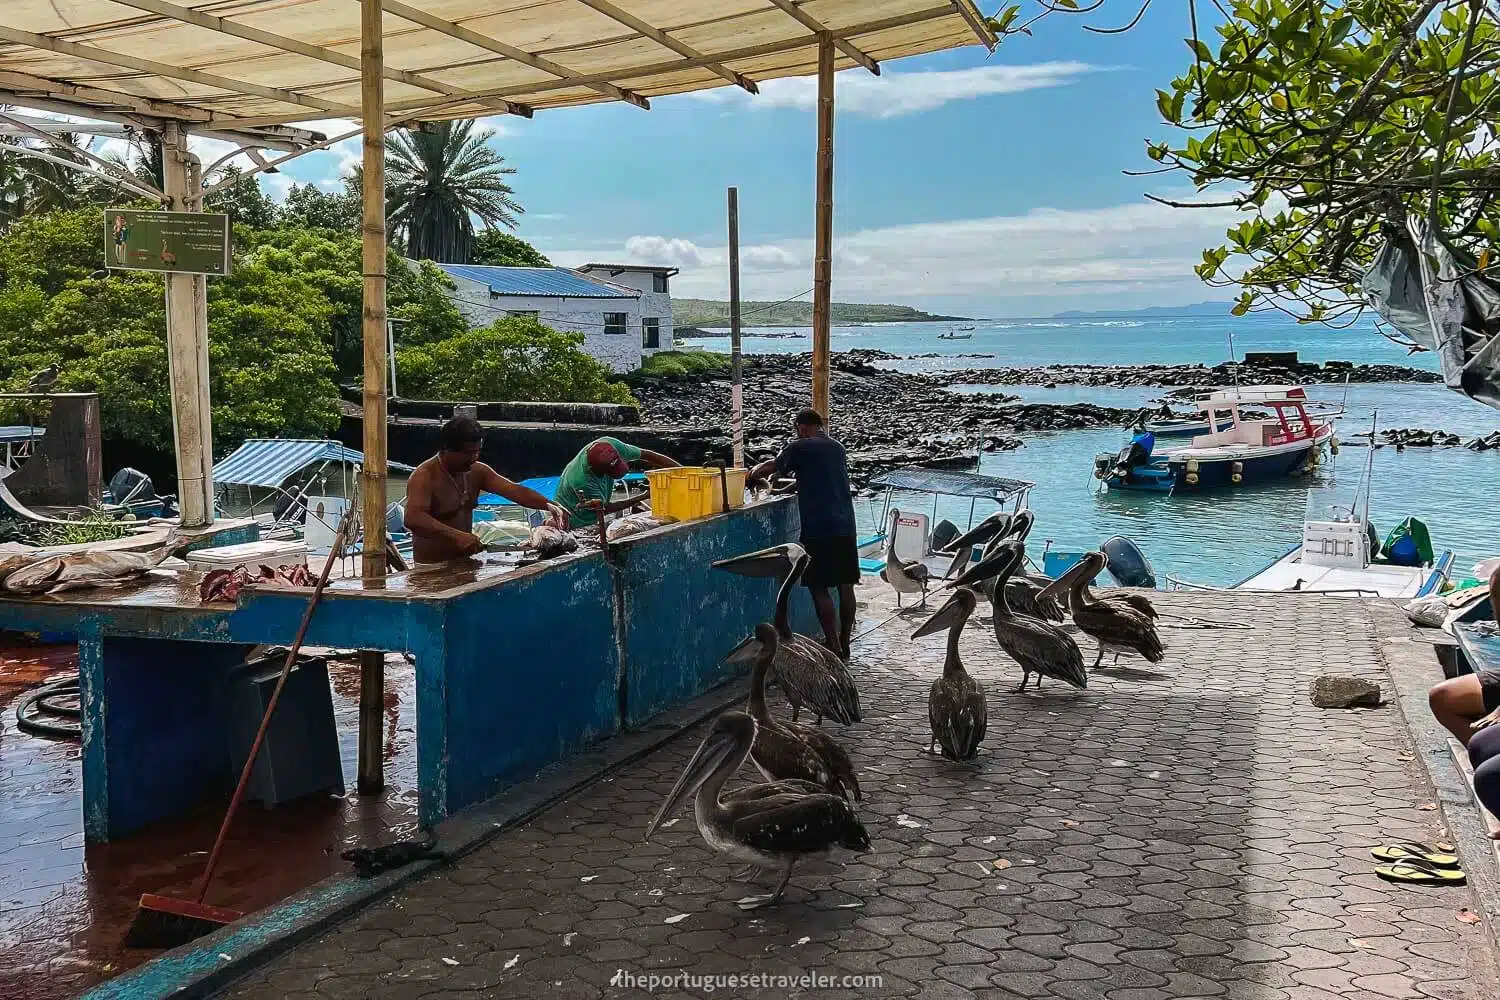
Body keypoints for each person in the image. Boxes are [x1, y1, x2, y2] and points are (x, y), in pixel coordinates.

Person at [748, 408, 858, 659]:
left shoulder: (800, 446)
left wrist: (752, 473)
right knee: (845, 585)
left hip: (819, 527)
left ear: (801, 427)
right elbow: (818, 477)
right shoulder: (837, 447)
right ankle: (846, 640)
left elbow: (771, 467)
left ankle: (833, 645)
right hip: (846, 525)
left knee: (818, 586)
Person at [404, 416, 567, 564]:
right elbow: (413, 518)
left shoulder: (478, 471)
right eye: (468, 453)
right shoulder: (424, 476)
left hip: (466, 561)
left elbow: (515, 491)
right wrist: (456, 536)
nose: (474, 458)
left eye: (477, 451)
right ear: (446, 449)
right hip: (431, 566)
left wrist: (551, 505)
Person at [554, 437, 679, 529]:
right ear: (599, 472)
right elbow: (605, 508)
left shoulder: (612, 445)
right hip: (577, 518)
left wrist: (683, 470)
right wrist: (644, 496)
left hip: (598, 502)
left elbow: (647, 455)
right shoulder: (583, 482)